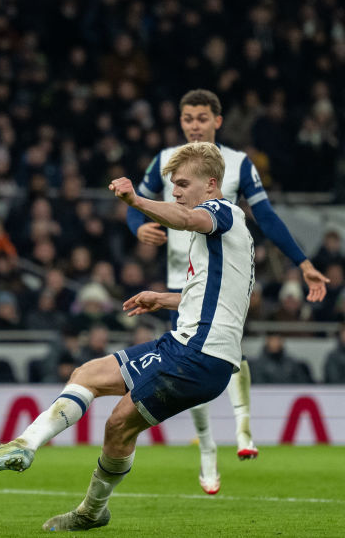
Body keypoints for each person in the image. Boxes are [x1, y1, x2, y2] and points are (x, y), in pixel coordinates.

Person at [0, 142, 255, 530]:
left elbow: (185, 220)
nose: (178, 193)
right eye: (173, 187)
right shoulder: (231, 236)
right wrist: (165, 299)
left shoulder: (220, 212)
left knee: (119, 423)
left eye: (183, 184)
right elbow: (218, 295)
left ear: (212, 184)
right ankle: (25, 446)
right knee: (88, 375)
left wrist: (136, 200)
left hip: (201, 356)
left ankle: (90, 512)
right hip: (187, 345)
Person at [124, 90, 328, 483]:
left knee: (227, 348)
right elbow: (141, 202)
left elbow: (265, 216)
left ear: (218, 121)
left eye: (202, 118)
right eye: (187, 119)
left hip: (225, 274)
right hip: (180, 275)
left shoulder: (238, 164)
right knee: (184, 360)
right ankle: (206, 449)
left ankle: (242, 428)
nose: (194, 125)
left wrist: (303, 263)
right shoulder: (165, 161)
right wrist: (138, 227)